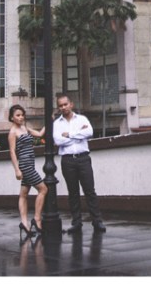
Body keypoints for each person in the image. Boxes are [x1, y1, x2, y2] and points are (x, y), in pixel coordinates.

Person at [53, 93, 105, 233]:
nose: (64, 107)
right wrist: (78, 135)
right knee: (73, 192)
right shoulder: (57, 124)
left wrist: (69, 135)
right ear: (59, 108)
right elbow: (58, 141)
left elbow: (89, 133)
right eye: (61, 105)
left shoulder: (82, 119)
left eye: (66, 104)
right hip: (68, 160)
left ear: (71, 104)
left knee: (90, 191)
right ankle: (76, 223)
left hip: (83, 158)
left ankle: (97, 221)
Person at [8, 104, 47, 239]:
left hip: (30, 163)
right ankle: (37, 219)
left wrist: (50, 120)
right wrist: (17, 170)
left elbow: (39, 134)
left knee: (23, 194)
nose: (21, 117)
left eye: (22, 114)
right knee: (43, 189)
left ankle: (24, 223)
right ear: (12, 118)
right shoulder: (13, 132)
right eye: (18, 115)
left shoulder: (24, 128)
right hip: (25, 165)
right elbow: (12, 152)